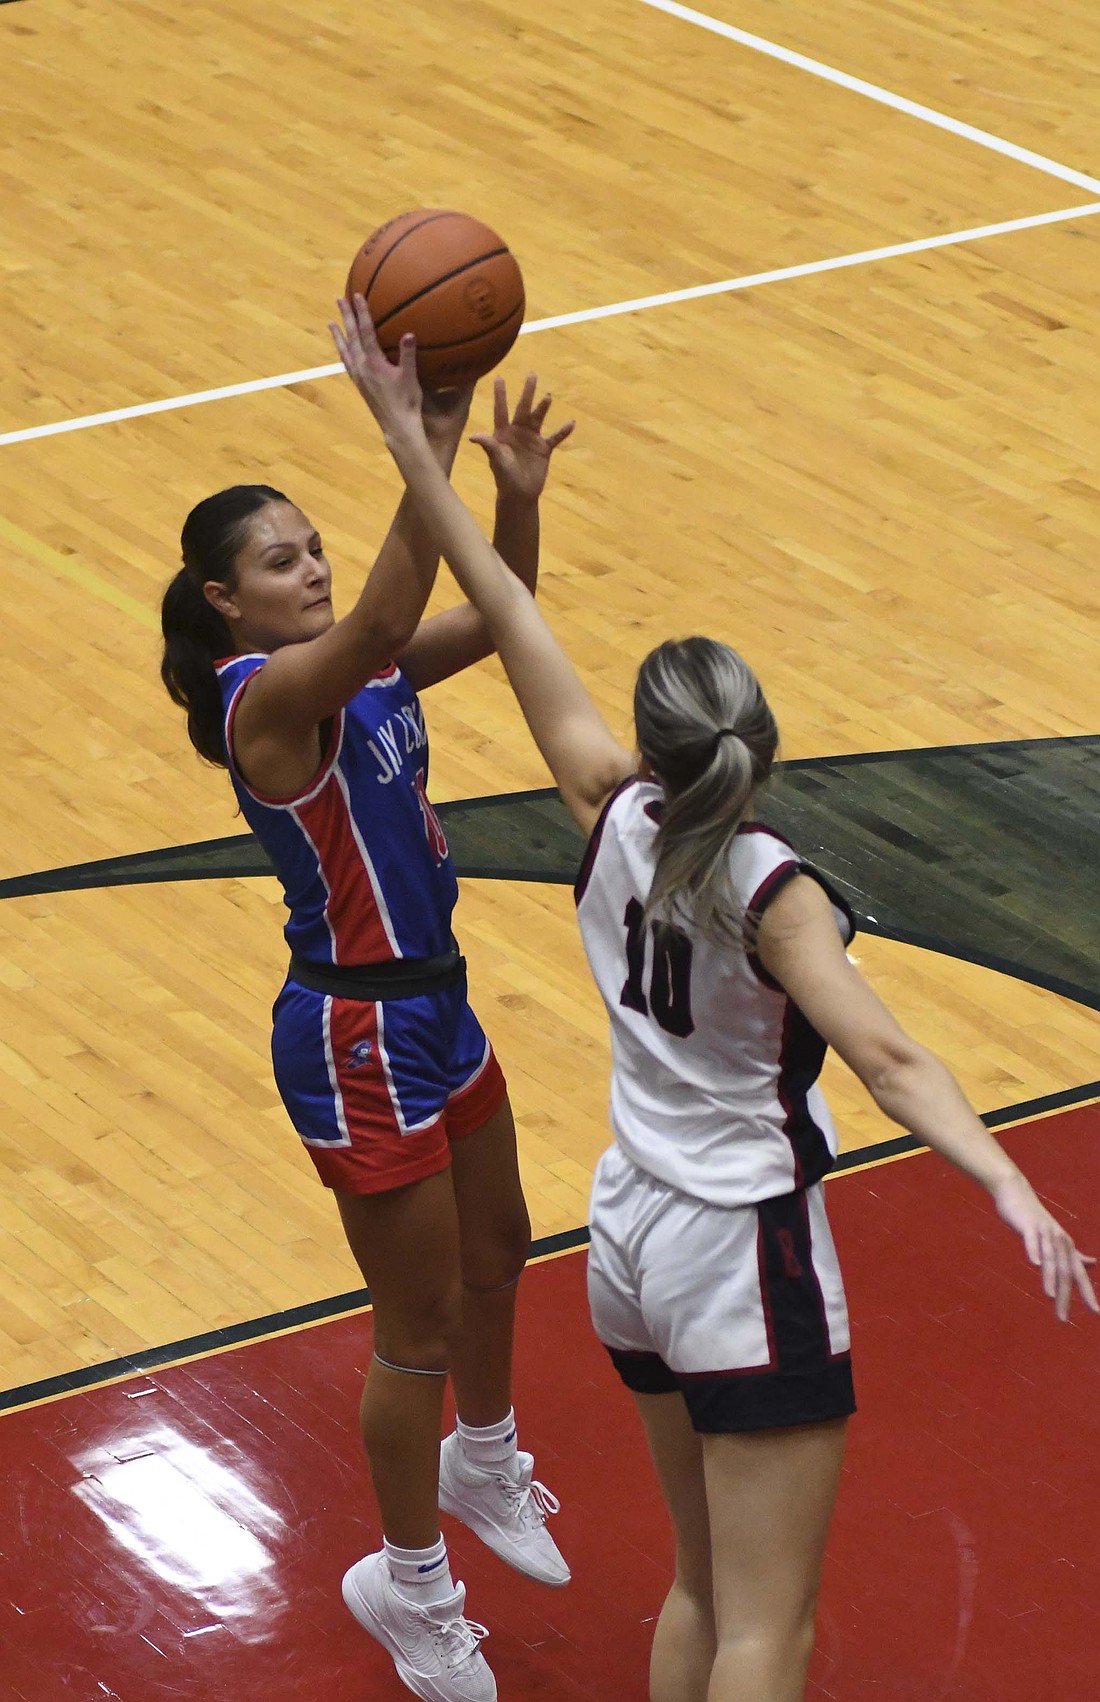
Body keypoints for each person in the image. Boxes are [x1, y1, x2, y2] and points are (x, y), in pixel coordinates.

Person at [329, 294, 1100, 1702]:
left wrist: (419, 444)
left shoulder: (609, 810)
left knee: (701, 1586)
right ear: (762, 745)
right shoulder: (772, 886)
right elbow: (885, 1055)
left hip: (628, 1233)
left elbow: (504, 611)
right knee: (768, 1625)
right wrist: (1006, 1181)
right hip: (744, 1248)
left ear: (660, 740)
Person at [160, 357, 576, 1702]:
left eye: (315, 547)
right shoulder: (263, 701)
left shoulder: (365, 674)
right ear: (227, 600)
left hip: (434, 1001)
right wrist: (425, 437)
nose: (314, 569)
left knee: (505, 1244)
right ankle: (407, 1587)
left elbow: (500, 617)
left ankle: (486, 1457)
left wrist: (511, 504)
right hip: (352, 1035)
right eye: (281, 562)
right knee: (420, 1325)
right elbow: (397, 610)